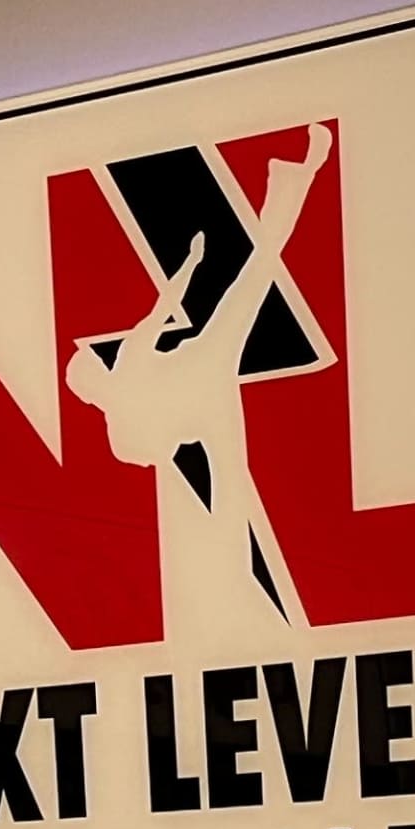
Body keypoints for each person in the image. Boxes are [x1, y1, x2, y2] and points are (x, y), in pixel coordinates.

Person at [67, 123, 332, 627]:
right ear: (90, 387)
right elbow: (154, 449)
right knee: (257, 272)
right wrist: (187, 267)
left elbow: (161, 310)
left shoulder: (124, 377)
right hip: (207, 387)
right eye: (91, 373)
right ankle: (295, 177)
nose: (97, 370)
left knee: (257, 273)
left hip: (206, 369)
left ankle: (298, 175)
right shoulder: (119, 410)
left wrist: (190, 264)